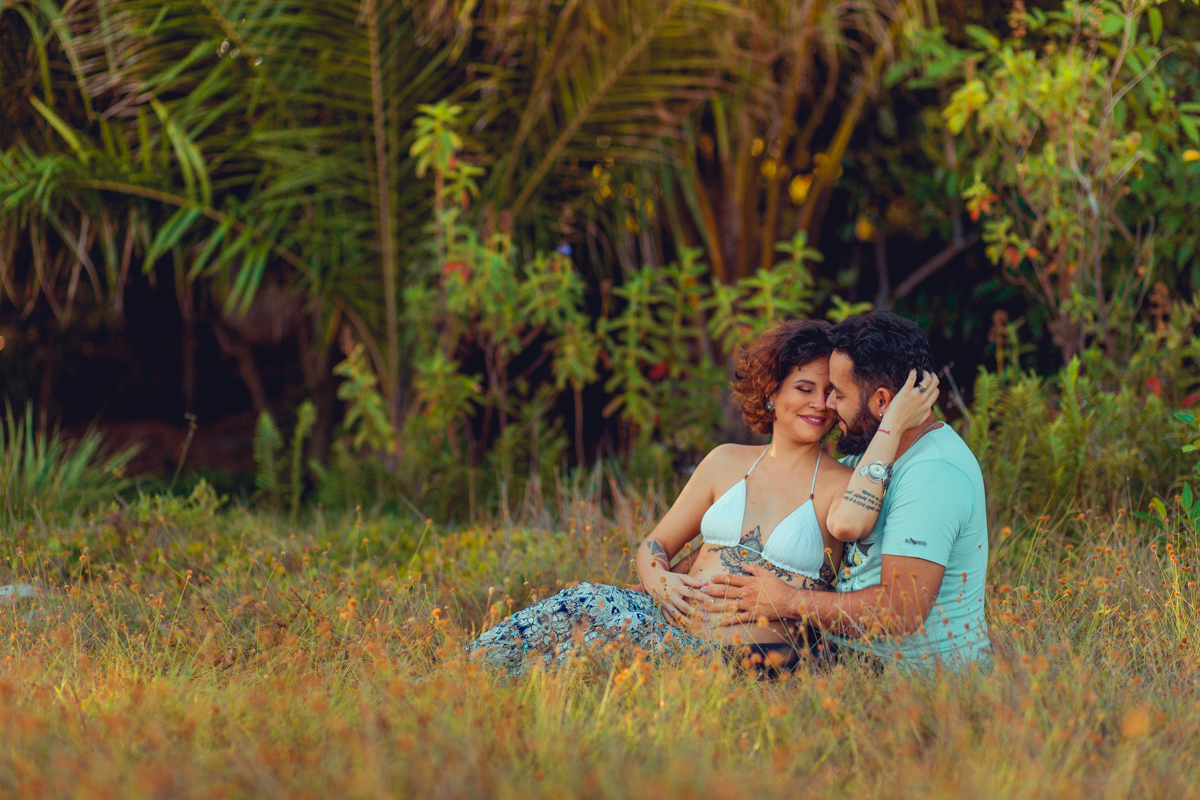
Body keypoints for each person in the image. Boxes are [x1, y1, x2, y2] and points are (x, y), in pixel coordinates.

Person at [466, 319, 937, 675]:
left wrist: (893, 419)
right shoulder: (726, 461)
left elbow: (852, 525)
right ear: (772, 392)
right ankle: (465, 675)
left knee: (596, 629)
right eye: (804, 388)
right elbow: (655, 546)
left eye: (830, 393)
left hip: (736, 655)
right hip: (665, 620)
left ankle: (478, 683)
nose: (820, 404)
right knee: (581, 611)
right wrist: (660, 583)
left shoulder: (841, 481)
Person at [702, 311, 992, 670]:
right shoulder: (868, 457)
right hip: (844, 657)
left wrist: (789, 601)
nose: (827, 405)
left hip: (911, 678)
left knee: (704, 665)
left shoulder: (933, 473)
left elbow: (900, 612)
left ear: (885, 403)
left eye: (837, 394)